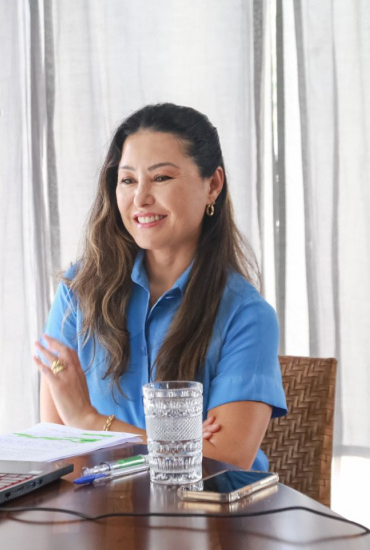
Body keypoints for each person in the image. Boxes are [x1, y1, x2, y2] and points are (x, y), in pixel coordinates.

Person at [32, 103, 287, 471]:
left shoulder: (247, 315)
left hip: (207, 506)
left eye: (162, 177)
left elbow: (224, 462)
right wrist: (180, 445)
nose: (140, 198)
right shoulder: (78, 291)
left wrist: (89, 421)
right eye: (128, 180)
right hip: (101, 503)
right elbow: (56, 449)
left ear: (213, 185)